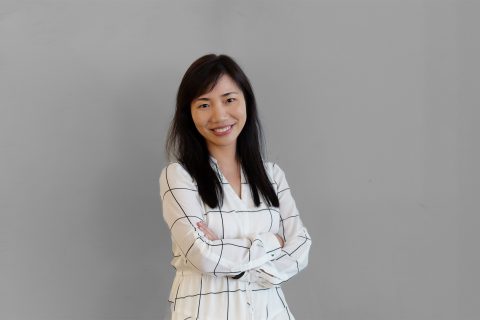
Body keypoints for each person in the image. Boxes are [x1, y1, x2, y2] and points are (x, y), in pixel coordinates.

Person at [159, 54, 311, 320]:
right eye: (204, 104)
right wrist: (272, 242)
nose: (219, 115)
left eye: (229, 100)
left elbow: (300, 249)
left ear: (246, 103)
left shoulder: (272, 175)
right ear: (189, 113)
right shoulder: (178, 177)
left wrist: (226, 251)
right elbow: (202, 255)